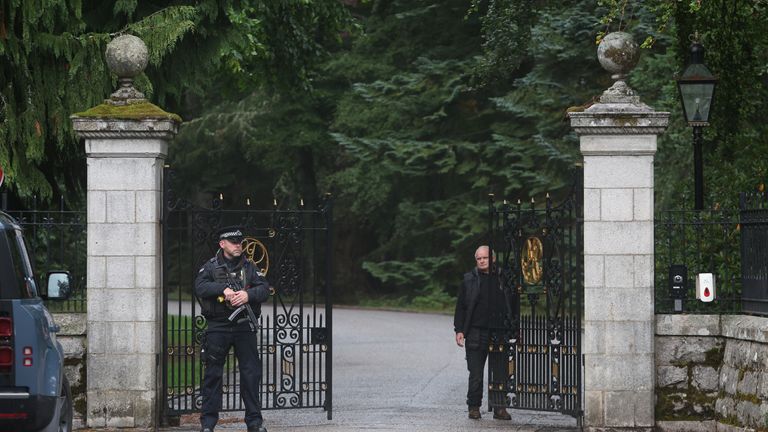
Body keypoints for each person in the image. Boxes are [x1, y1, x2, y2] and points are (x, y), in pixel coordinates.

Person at [195, 226, 271, 432]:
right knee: (213, 375)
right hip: (218, 327)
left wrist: (248, 296)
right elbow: (199, 287)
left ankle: (254, 423)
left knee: (251, 374)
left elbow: (265, 289)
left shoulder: (249, 267)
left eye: (240, 242)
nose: (238, 245)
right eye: (234, 242)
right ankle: (208, 424)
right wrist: (223, 289)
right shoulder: (211, 267)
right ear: (222, 244)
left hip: (244, 326)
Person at [453, 245, 512, 421]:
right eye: (478, 258)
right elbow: (460, 307)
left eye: (484, 258)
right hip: (476, 332)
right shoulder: (469, 279)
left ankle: (500, 408)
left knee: (500, 373)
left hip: (499, 331)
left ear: (492, 258)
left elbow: (512, 304)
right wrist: (460, 330)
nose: (481, 261)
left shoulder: (503, 278)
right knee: (476, 374)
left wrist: (514, 328)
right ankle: (474, 407)